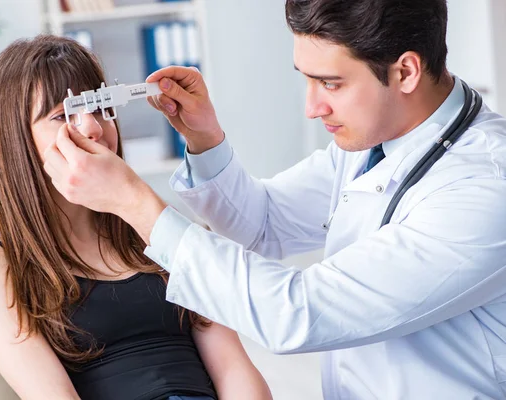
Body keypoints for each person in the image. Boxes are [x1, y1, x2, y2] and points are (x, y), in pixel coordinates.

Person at [42, 0, 506, 398]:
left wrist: (132, 202)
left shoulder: (485, 188)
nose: (312, 107)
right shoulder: (378, 141)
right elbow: (263, 223)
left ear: (405, 71)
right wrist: (205, 139)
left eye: (331, 83)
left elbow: (296, 313)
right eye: (306, 79)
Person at [0, 35, 273, 400]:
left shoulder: (158, 233)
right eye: (62, 115)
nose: (93, 128)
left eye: (101, 107)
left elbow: (236, 371)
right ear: (16, 141)